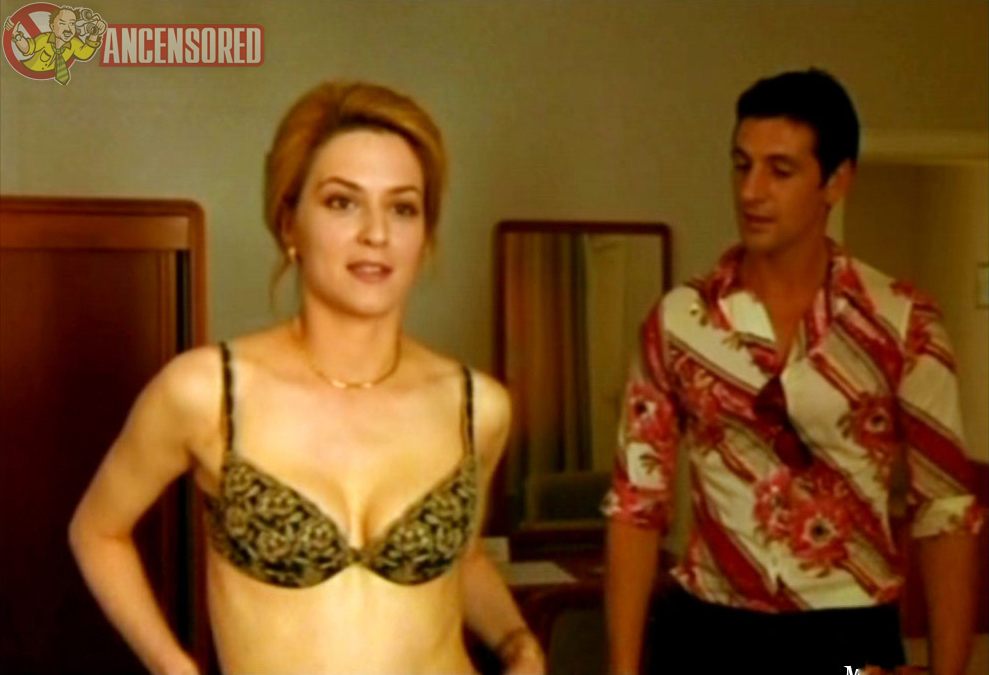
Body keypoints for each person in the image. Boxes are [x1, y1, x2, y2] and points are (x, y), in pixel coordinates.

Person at [69, 80, 544, 675]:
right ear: (289, 222)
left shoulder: (477, 406)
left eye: (403, 208)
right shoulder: (210, 392)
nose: (376, 233)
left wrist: (517, 641)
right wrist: (174, 667)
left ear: (424, 235)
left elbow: (462, 562)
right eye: (343, 202)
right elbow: (98, 532)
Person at [603, 69, 983, 675]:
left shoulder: (902, 322)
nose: (751, 191)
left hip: (849, 642)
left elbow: (946, 510)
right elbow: (635, 505)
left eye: (779, 171)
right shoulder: (680, 322)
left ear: (836, 181)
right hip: (708, 637)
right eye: (741, 166)